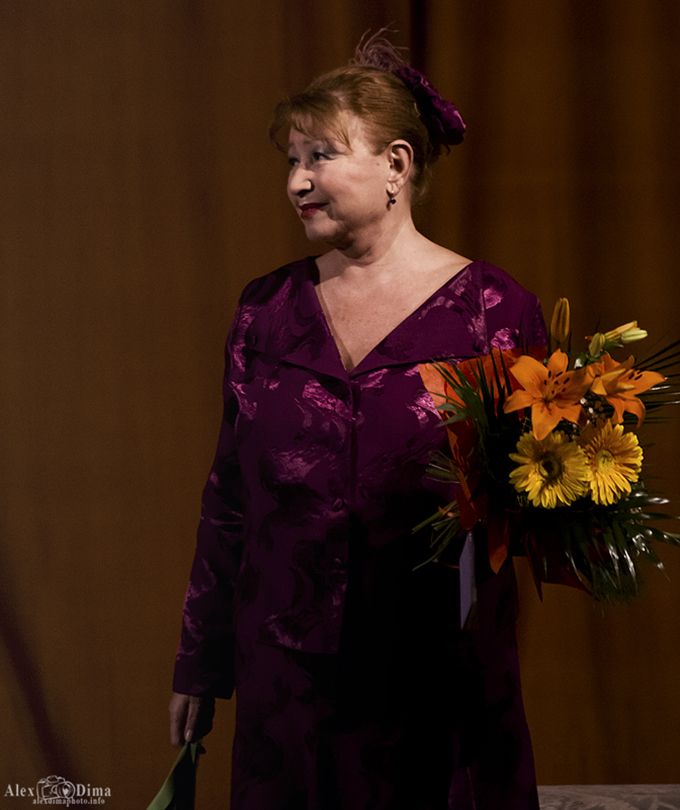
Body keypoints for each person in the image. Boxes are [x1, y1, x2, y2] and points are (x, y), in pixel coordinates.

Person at [169, 32, 546, 810]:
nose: (297, 182)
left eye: (319, 158)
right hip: (289, 696)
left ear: (397, 167)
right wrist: (201, 667)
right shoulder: (265, 312)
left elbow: (538, 498)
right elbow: (229, 503)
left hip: (436, 691)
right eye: (290, 162)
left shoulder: (494, 313)